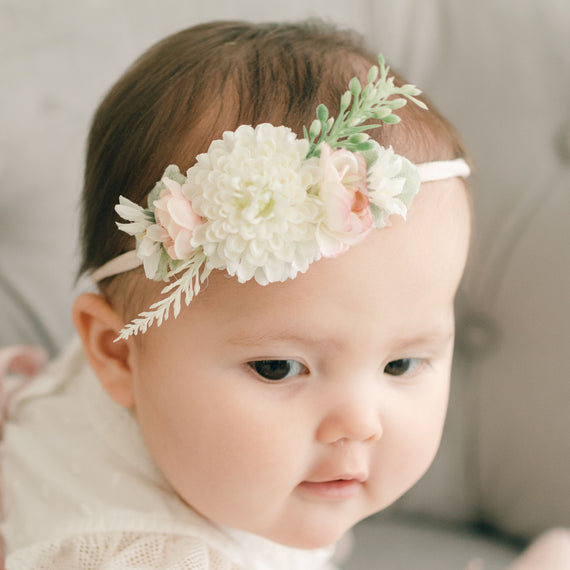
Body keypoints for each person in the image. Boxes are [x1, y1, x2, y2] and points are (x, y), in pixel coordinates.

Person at [1, 20, 475, 568]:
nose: (360, 422)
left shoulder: (183, 408)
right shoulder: (155, 557)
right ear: (116, 353)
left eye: (402, 363)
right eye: (277, 367)